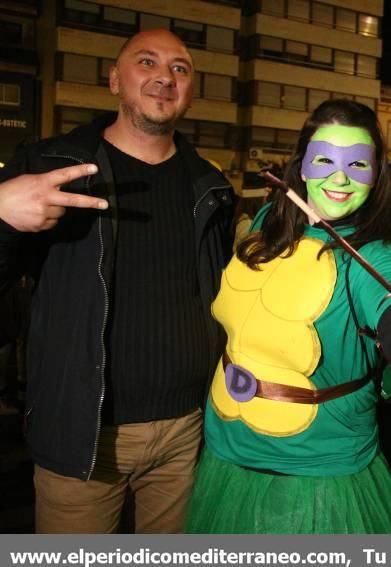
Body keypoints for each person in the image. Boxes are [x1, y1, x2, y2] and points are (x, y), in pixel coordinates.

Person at [185, 99, 391, 534]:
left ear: (376, 175)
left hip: (316, 482)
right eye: (324, 161)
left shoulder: (375, 257)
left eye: (357, 164)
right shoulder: (266, 223)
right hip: (225, 453)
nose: (340, 178)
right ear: (301, 166)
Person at [0, 29, 233, 533]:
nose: (164, 78)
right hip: (83, 431)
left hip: (188, 432)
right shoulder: (51, 169)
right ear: (114, 80)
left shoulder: (210, 186)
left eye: (180, 68)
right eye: (146, 62)